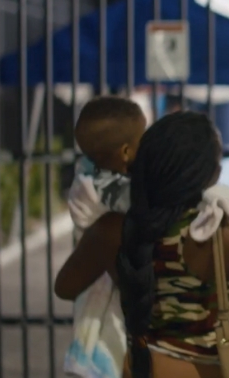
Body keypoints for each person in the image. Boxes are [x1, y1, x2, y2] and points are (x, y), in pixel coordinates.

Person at [55, 111, 229, 378]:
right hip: (217, 367)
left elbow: (66, 287)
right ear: (209, 176)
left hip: (143, 366)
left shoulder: (112, 230)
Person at [58, 95, 147, 378]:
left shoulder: (88, 172)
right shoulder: (108, 189)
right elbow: (148, 204)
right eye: (141, 140)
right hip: (105, 285)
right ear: (124, 152)